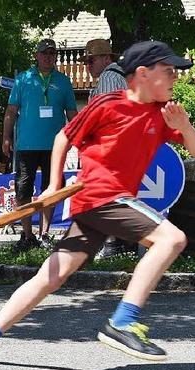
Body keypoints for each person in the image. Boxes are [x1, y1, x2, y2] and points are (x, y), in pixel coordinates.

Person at [0, 41, 195, 370]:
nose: (175, 77)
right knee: (172, 239)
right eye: (169, 71)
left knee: (50, 278)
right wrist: (53, 184)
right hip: (103, 197)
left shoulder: (160, 114)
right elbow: (63, 136)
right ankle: (123, 321)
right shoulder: (107, 104)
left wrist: (186, 125)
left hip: (101, 208)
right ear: (144, 75)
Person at [3, 39, 78, 252]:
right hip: (26, 145)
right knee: (23, 190)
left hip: (55, 147)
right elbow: (11, 111)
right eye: (44, 53)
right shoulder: (23, 79)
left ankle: (44, 234)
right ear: (36, 55)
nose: (48, 57)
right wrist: (6, 137)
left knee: (51, 190)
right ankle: (27, 235)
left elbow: (72, 114)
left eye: (52, 53)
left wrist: (79, 138)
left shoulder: (63, 81)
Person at [81, 38, 131, 259]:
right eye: (86, 62)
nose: (87, 66)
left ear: (104, 58)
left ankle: (113, 244)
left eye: (90, 61)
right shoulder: (118, 77)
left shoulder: (110, 77)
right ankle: (119, 242)